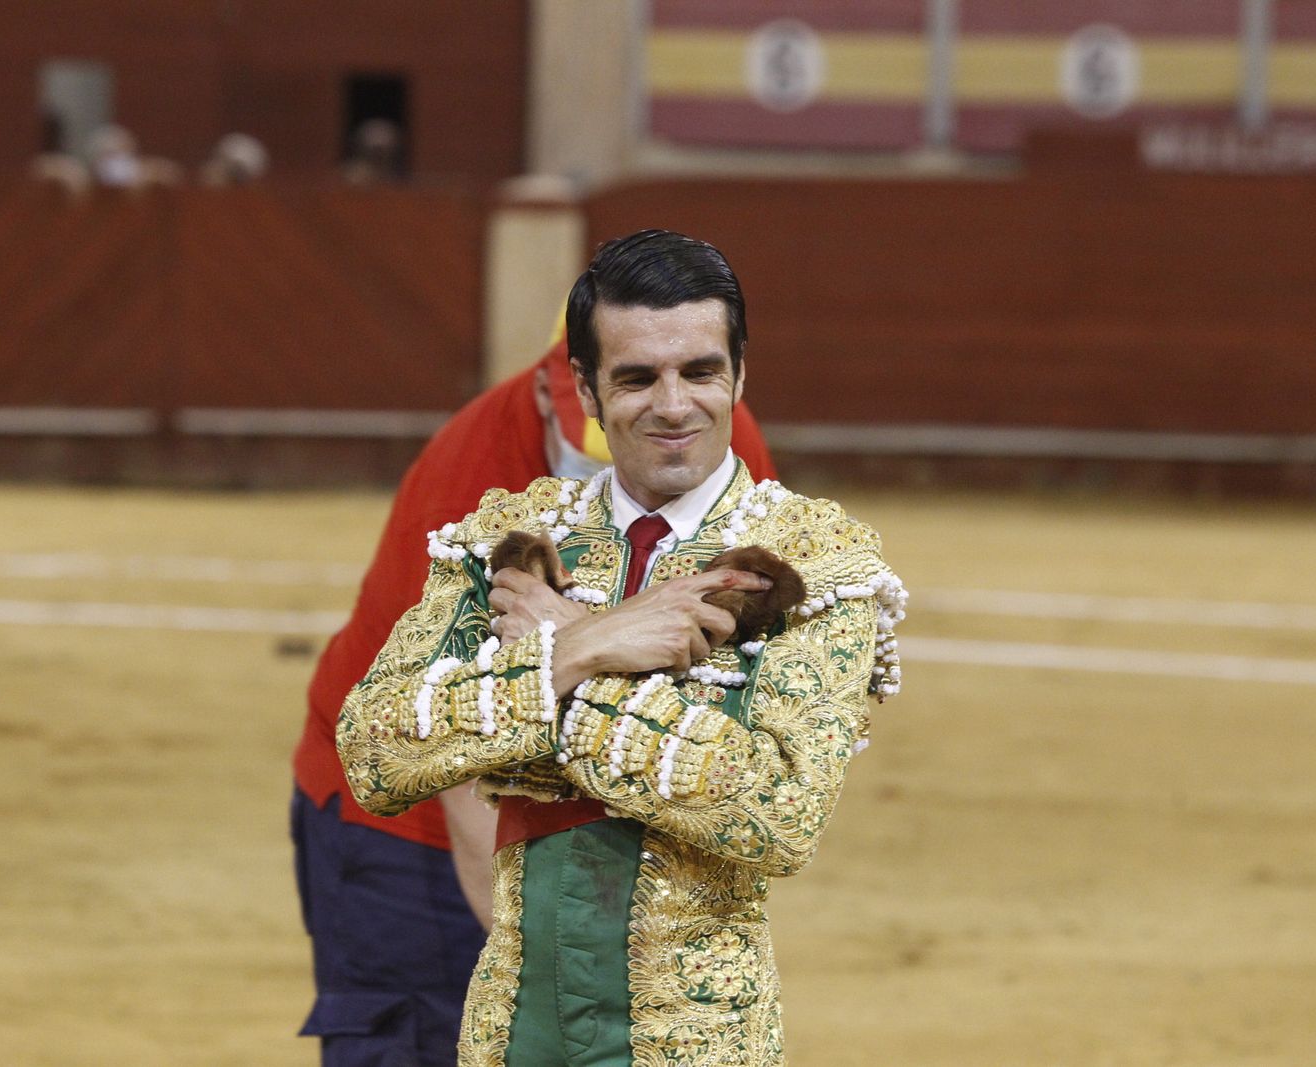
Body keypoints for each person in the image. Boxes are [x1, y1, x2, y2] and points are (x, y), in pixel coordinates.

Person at [337, 229, 905, 1066]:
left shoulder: (815, 560)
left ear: (740, 375)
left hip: (697, 1034)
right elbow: (375, 750)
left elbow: (777, 813)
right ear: (588, 391)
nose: (673, 405)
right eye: (637, 377)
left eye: (700, 371)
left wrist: (562, 646)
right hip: (510, 1028)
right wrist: (581, 651)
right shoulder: (510, 536)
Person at [291, 315, 777, 1065]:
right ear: (571, 389)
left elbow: (732, 687)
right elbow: (443, 748)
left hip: (605, 806)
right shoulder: (474, 479)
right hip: (405, 826)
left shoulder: (710, 435)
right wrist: (535, 954)